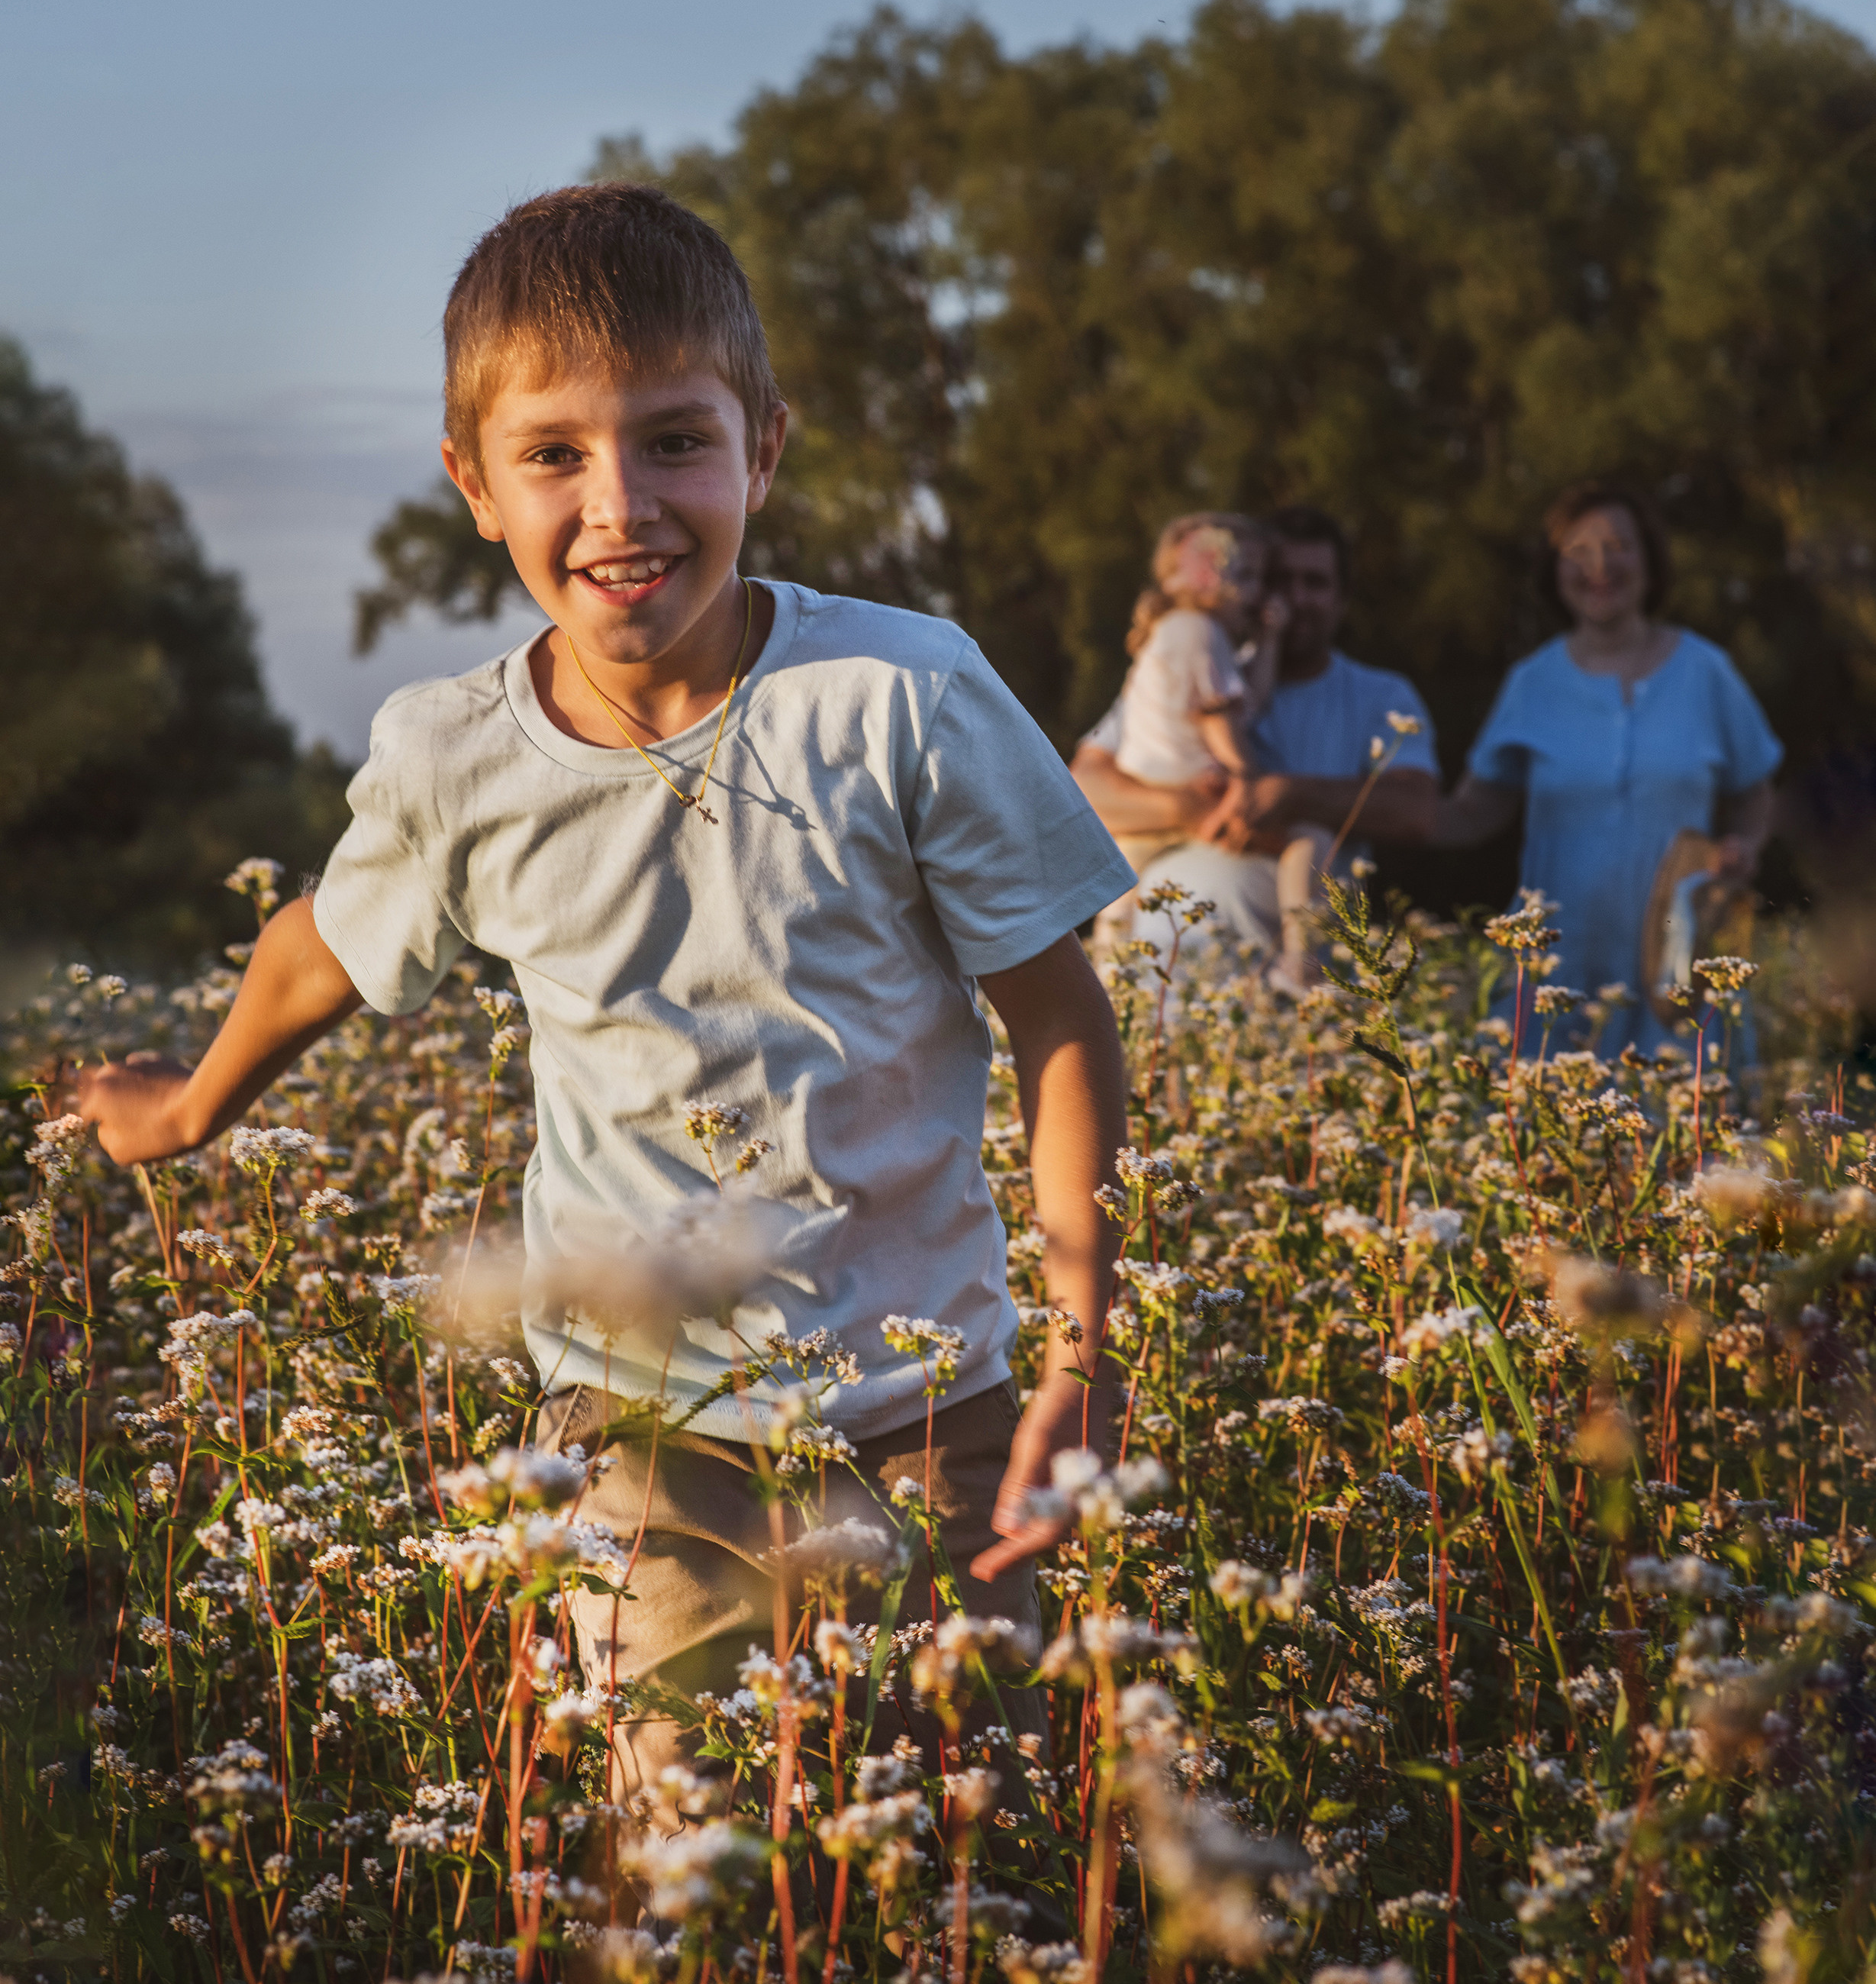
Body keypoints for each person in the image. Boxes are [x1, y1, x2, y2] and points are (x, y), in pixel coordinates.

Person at [77, 181, 1135, 1806]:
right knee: (689, 1843)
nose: (621, 503)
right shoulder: (456, 758)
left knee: (947, 1842)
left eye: (674, 441)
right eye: (554, 454)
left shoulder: (899, 694)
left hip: (939, 1407)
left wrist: (1081, 1338)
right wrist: (190, 1105)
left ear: (762, 449)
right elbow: (319, 946)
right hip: (647, 1427)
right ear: (473, 485)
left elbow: (1057, 1017)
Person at [1433, 482, 1781, 1056]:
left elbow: (1756, 793)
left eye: (1619, 545)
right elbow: (1470, 812)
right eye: (1577, 550)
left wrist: (1743, 846)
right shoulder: (1532, 683)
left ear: (1650, 560)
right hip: (1556, 971)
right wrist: (1368, 800)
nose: (1600, 566)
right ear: (1554, 569)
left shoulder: (1706, 671)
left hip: (1676, 970)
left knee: (1686, 1133)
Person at [1072, 502, 1437, 960]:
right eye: (1277, 581)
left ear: (1344, 598)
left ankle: (1299, 966)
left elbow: (1417, 810)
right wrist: (1185, 808)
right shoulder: (1178, 671)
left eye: (1316, 583)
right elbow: (1082, 791)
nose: (1294, 599)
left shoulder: (1380, 695)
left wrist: (1287, 794)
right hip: (1170, 976)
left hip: (1301, 999)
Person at [1101, 510, 1330, 990]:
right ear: (1211, 577)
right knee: (1309, 843)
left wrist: (1267, 639)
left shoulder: (1178, 633)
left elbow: (1249, 698)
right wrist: (1245, 776)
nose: (1257, 594)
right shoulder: (1199, 633)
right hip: (1197, 790)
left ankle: (1110, 978)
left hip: (1148, 798)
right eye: (1246, 576)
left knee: (1121, 893)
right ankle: (1301, 964)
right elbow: (1219, 716)